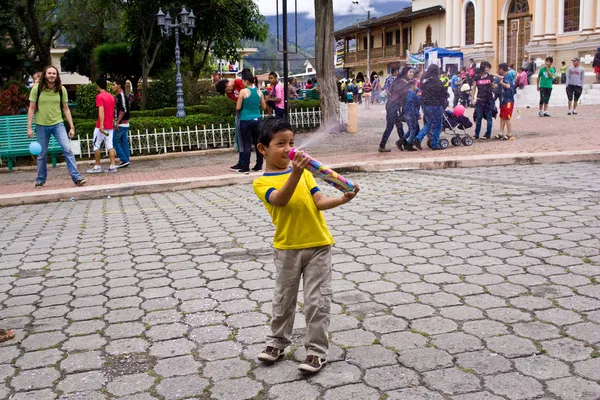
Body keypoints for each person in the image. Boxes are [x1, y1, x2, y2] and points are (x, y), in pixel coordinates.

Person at [253, 116, 359, 373]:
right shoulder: (262, 182)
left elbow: (319, 201)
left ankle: (316, 351)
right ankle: (276, 342)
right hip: (287, 249)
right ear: (263, 149)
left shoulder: (305, 175)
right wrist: (297, 173)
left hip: (319, 244)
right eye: (280, 144)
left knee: (317, 301)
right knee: (283, 299)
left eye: (291, 142)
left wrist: (343, 199)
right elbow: (280, 200)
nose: (289, 149)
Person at [27, 65, 86, 187]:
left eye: (54, 73)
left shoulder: (61, 89)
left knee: (67, 149)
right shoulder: (36, 89)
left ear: (57, 76)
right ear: (45, 74)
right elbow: (31, 108)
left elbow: (66, 109)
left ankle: (77, 177)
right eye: (49, 73)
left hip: (58, 124)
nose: (51, 75)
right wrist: (29, 127)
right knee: (41, 153)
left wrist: (71, 126)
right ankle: (40, 179)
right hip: (41, 125)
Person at [236, 68, 267, 173]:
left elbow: (238, 107)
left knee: (246, 144)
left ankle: (245, 167)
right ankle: (259, 165)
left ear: (246, 81)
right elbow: (263, 107)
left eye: (243, 81)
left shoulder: (243, 91)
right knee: (258, 143)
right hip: (258, 119)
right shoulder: (259, 91)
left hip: (245, 120)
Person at [413, 65, 448, 150]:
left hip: (426, 105)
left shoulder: (424, 81)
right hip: (436, 105)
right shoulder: (437, 82)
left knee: (429, 123)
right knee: (438, 125)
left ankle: (418, 138)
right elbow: (443, 94)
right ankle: (435, 144)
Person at [87, 77, 117, 173]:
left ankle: (97, 166)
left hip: (101, 126)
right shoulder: (111, 97)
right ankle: (113, 165)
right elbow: (113, 111)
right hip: (110, 125)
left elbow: (101, 110)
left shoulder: (99, 97)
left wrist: (101, 124)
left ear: (98, 86)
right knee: (110, 145)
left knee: (96, 145)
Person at [378, 66, 412, 152]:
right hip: (393, 106)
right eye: (410, 72)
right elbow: (402, 95)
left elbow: (389, 91)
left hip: (392, 105)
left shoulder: (398, 80)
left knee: (399, 125)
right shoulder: (401, 82)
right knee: (390, 126)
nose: (412, 74)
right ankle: (382, 146)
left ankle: (403, 143)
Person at [217, 77, 246, 170]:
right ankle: (241, 162)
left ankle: (248, 163)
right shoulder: (229, 94)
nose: (228, 92)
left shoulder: (237, 83)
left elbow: (246, 93)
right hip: (241, 112)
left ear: (227, 84)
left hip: (247, 111)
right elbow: (238, 102)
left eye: (226, 89)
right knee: (240, 139)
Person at [471, 61, 495, 140]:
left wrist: (496, 85)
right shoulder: (476, 77)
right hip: (480, 100)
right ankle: (476, 134)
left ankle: (488, 134)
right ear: (482, 68)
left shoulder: (491, 77)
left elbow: (493, 86)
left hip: (489, 100)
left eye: (489, 67)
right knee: (478, 117)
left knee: (489, 117)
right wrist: (472, 99)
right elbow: (474, 89)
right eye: (486, 67)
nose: (488, 69)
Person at [113, 78, 131, 168]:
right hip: (124, 122)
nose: (113, 86)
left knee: (115, 141)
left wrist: (117, 122)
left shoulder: (121, 95)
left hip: (122, 123)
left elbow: (123, 109)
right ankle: (126, 160)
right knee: (124, 141)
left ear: (119, 85)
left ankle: (124, 159)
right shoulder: (118, 95)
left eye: (114, 84)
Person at [399, 79, 420, 151]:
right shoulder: (412, 94)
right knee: (413, 130)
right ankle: (408, 145)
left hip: (406, 113)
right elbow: (416, 104)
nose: (416, 87)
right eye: (416, 85)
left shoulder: (406, 93)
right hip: (411, 113)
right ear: (413, 86)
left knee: (411, 130)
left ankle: (400, 141)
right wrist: (417, 114)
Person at [496, 63, 515, 140]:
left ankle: (509, 133)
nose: (499, 70)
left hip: (508, 100)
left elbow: (508, 86)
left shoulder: (508, 76)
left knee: (507, 117)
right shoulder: (506, 76)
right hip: (503, 100)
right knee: (502, 117)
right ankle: (501, 133)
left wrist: (500, 82)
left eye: (499, 69)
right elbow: (501, 77)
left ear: (502, 69)